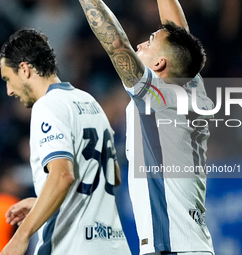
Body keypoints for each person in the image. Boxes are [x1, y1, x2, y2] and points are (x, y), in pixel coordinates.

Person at [78, 0, 215, 254]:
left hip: (170, 247)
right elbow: (180, 37)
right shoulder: (192, 87)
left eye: (149, 42)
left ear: (159, 64)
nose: (140, 44)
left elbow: (117, 44)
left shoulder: (158, 97)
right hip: (191, 245)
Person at [0, 29, 131, 255]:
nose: (9, 90)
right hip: (113, 245)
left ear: (24, 69)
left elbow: (62, 175)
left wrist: (21, 237)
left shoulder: (47, 106)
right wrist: (43, 202)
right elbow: (113, 174)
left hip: (71, 246)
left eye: (8, 79)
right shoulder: (89, 101)